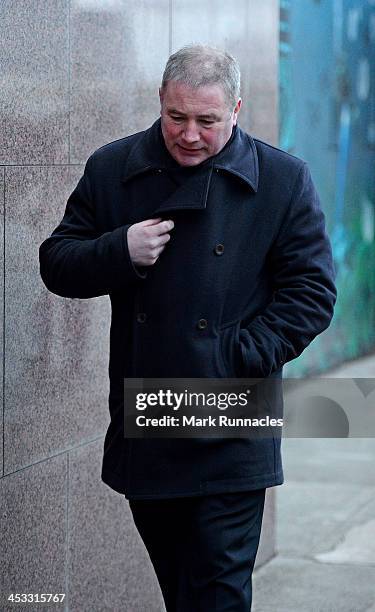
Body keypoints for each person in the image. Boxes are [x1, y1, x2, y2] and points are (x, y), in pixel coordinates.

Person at [39, 45, 336, 611]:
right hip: (150, 416)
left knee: (218, 597)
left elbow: (313, 292)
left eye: (207, 120)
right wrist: (118, 250)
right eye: (177, 118)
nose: (191, 135)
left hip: (233, 415)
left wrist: (233, 357)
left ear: (237, 109)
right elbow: (57, 262)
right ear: (160, 102)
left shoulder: (282, 179)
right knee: (182, 590)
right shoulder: (113, 167)